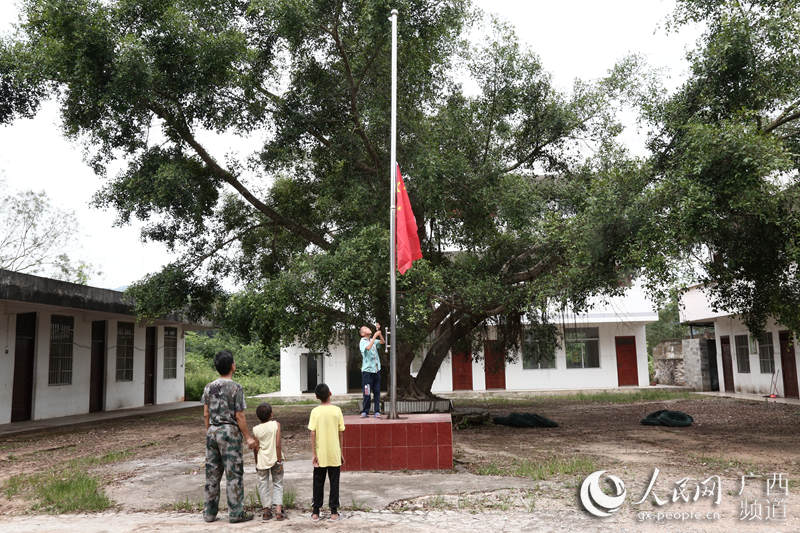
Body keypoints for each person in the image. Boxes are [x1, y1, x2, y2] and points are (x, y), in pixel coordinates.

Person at [201, 350, 257, 523]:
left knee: (212, 474)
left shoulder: (209, 387)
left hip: (212, 431)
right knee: (233, 474)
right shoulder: (236, 387)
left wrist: (209, 432)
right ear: (232, 366)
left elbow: (206, 413)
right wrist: (248, 437)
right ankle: (236, 513)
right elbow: (239, 416)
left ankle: (209, 514)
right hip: (229, 433)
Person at [308, 383, 345, 521]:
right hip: (334, 453)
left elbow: (313, 433)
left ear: (316, 396)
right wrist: (341, 452)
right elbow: (341, 432)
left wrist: (314, 454)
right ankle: (334, 512)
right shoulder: (337, 410)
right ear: (330, 393)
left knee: (318, 482)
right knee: (334, 482)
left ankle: (316, 511)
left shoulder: (315, 412)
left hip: (320, 454)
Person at [253, 402, 286, 521]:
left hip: (262, 461)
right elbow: (278, 444)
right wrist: (279, 459)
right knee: (278, 483)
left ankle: (266, 511)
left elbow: (256, 448)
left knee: (263, 485)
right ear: (271, 414)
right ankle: (278, 511)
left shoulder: (255, 429)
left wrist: (256, 462)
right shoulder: (276, 425)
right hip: (275, 459)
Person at [359, 323, 385, 418]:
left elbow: (382, 342)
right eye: (365, 328)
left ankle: (377, 411)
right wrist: (374, 336)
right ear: (362, 334)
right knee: (367, 391)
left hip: (376, 370)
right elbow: (368, 348)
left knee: (377, 391)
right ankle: (365, 411)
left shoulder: (372, 340)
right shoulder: (363, 341)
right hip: (367, 372)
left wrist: (379, 333)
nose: (368, 328)